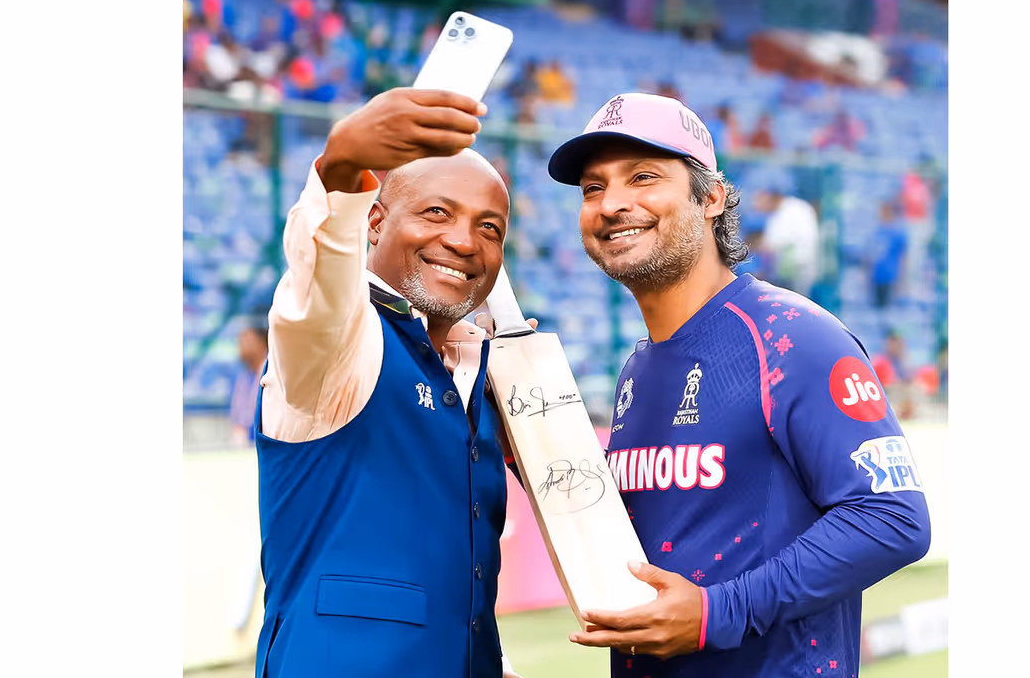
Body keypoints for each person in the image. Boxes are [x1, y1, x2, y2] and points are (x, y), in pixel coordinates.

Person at [544, 92, 930, 676]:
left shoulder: (792, 337)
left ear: (712, 197)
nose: (611, 204)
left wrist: (715, 613)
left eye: (642, 177)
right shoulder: (636, 370)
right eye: (593, 188)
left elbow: (892, 519)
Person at [252, 87, 522, 678]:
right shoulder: (343, 342)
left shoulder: (479, 372)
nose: (463, 241)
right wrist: (342, 168)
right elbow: (321, 282)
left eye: (490, 228)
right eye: (436, 212)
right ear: (374, 221)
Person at [758, 186, 820, 298]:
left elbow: (775, 242)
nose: (758, 206)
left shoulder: (794, 210)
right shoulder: (779, 213)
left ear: (772, 198)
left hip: (799, 267)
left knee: (797, 301)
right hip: (788, 268)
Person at [227, 323, 268, 447]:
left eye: (247, 340)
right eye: (240, 341)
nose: (241, 346)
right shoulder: (243, 378)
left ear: (262, 344)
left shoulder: (271, 375)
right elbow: (238, 419)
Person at [869, 200, 908, 309]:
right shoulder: (876, 232)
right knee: (877, 309)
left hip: (891, 277)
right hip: (877, 276)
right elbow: (869, 256)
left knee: (889, 310)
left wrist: (902, 279)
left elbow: (903, 257)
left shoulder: (898, 234)